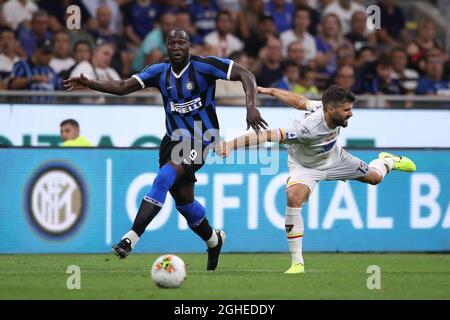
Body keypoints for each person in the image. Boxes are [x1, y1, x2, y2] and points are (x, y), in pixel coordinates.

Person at [64, 29, 267, 271]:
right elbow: (121, 87)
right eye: (173, 43)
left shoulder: (205, 66)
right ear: (167, 47)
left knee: (163, 177)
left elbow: (245, 74)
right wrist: (90, 83)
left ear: (189, 45)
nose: (177, 46)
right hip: (171, 141)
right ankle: (214, 240)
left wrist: (250, 106)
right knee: (185, 204)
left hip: (202, 139)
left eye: (182, 42)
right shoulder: (158, 71)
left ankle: (130, 238)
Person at [216, 85, 416, 274]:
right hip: (305, 167)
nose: (351, 114)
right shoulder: (307, 129)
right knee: (293, 196)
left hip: (335, 159)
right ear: (330, 110)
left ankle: (389, 160)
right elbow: (266, 135)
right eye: (346, 110)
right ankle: (297, 263)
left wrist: (273, 91)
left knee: (375, 178)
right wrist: (231, 145)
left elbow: (300, 101)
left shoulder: (323, 107)